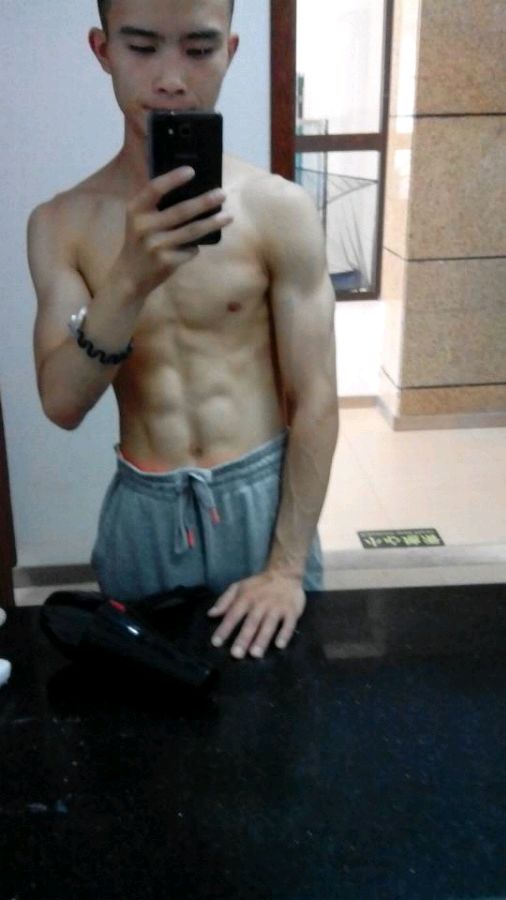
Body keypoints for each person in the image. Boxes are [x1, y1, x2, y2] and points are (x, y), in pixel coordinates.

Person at [27, 0, 339, 661]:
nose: (171, 79)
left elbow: (315, 398)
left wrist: (285, 569)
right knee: (149, 715)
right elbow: (61, 404)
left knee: (283, 707)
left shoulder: (277, 209)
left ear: (230, 51)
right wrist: (128, 281)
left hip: (261, 505)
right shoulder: (61, 223)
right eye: (142, 48)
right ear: (103, 50)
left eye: (198, 50)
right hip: (145, 512)